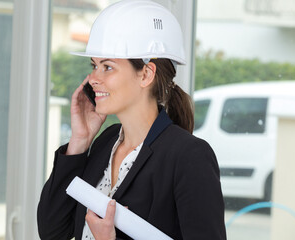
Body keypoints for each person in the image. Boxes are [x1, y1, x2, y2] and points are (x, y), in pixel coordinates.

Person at [37, 0, 226, 239]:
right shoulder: (106, 142)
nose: (92, 78)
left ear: (146, 74)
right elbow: (52, 231)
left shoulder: (189, 156)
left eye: (107, 67)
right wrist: (80, 141)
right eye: (94, 65)